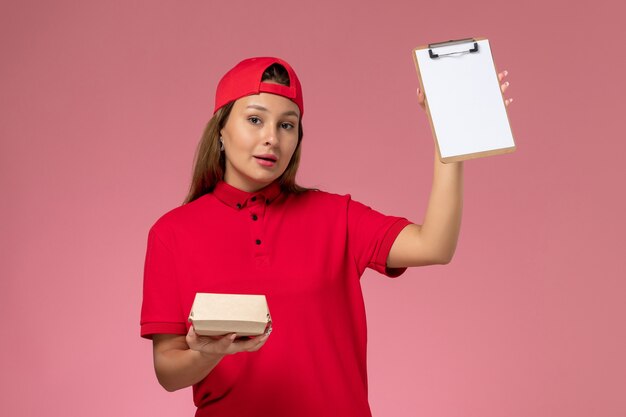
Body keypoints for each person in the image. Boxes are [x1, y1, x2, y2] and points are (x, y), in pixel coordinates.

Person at [140, 56, 512, 416]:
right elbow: (168, 372)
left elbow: (435, 245)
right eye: (255, 119)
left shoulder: (337, 216)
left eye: (287, 125)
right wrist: (209, 353)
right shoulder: (172, 233)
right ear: (220, 128)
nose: (271, 138)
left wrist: (451, 138)